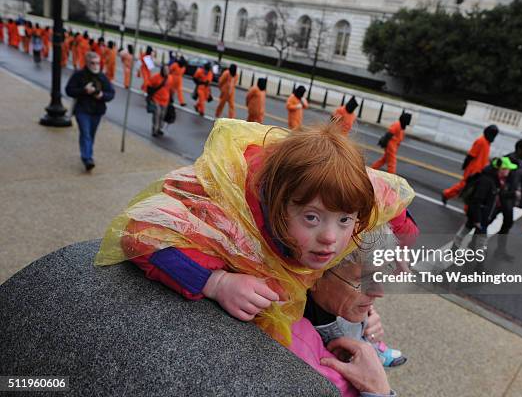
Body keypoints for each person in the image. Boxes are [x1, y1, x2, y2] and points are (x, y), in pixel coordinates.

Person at [95, 121, 415, 347]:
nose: (330, 237)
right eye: (312, 218)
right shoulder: (228, 220)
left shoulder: (349, 193)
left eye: (345, 221)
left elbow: (389, 201)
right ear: (277, 205)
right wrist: (216, 282)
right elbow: (140, 230)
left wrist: (401, 245)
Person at [290, 225, 410, 396]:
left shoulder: (336, 304)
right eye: (363, 279)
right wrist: (378, 389)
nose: (379, 292)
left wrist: (366, 323)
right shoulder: (293, 345)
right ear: (314, 275)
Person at [451, 157, 517, 254]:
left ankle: (454, 250)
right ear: (501, 169)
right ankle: (479, 263)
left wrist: (512, 194)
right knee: (480, 240)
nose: (509, 171)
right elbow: (476, 201)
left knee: (465, 232)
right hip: (479, 215)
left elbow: (495, 196)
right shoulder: (486, 181)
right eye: (507, 168)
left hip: (482, 215)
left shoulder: (496, 180)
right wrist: (478, 220)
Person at [65, 52, 115, 171]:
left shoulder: (102, 77)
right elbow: (69, 90)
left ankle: (87, 153)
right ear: (87, 63)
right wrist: (84, 90)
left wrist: (102, 95)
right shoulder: (79, 75)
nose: (95, 65)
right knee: (85, 133)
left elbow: (111, 93)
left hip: (97, 111)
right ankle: (87, 158)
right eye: (92, 63)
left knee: (91, 134)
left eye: (97, 63)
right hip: (82, 109)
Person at [486, 140, 522, 262]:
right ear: (520, 149)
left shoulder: (520, 164)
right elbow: (496, 177)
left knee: (507, 224)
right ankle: (474, 244)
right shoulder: (507, 160)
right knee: (487, 221)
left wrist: (520, 202)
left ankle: (500, 251)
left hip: (509, 201)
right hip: (500, 199)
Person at [442, 125, 499, 204]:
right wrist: (465, 165)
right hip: (472, 170)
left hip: (480, 171)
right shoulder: (481, 141)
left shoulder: (487, 143)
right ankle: (446, 194)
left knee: (472, 190)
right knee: (464, 186)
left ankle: (467, 208)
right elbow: (471, 155)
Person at [147, 64, 173, 137]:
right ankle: (154, 130)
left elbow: (170, 89)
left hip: (165, 100)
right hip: (156, 99)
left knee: (162, 115)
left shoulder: (170, 78)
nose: (166, 72)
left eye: (168, 70)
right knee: (157, 114)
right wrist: (150, 95)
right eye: (165, 70)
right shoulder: (156, 77)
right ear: (162, 70)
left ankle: (159, 129)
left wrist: (171, 99)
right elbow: (149, 84)